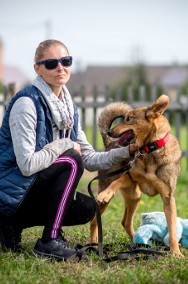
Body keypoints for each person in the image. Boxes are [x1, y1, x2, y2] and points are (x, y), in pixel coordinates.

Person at [0, 39, 137, 261]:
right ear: (37, 68)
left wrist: (127, 151)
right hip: (10, 191)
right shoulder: (26, 104)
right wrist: (65, 145)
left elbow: (90, 158)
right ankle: (49, 241)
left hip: (30, 190)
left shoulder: (68, 109)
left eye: (65, 61)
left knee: (87, 207)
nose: (60, 68)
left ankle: (11, 224)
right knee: (72, 160)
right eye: (51, 63)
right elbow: (26, 166)